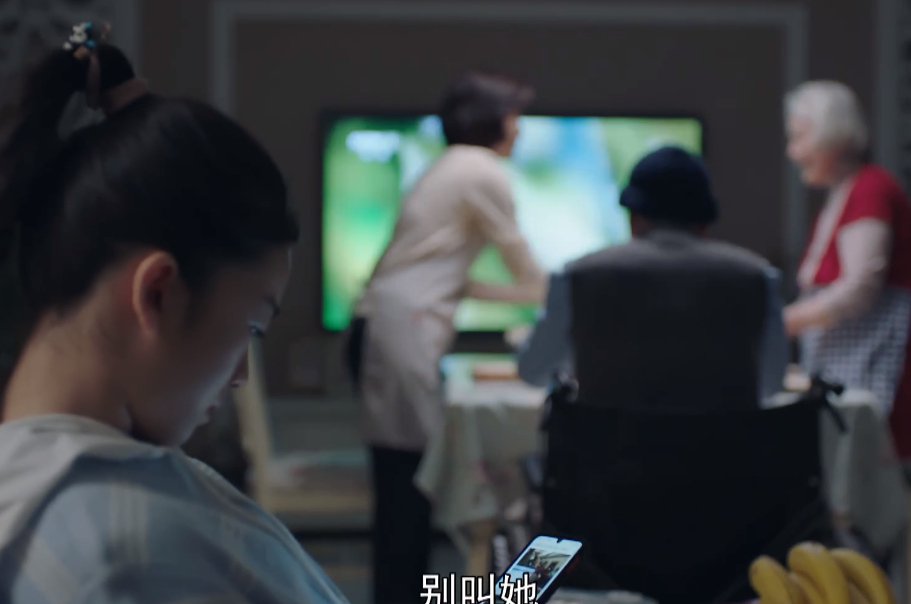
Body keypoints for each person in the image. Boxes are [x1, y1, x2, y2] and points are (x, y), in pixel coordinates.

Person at [0, 23, 348, 603]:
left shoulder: (75, 493)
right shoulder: (126, 554)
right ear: (158, 293)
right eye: (252, 326)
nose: (240, 374)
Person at [345, 71, 546, 604]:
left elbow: (455, 276)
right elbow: (520, 260)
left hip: (389, 327)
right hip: (398, 334)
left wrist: (543, 294)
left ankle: (424, 594)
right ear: (496, 121)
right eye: (515, 117)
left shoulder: (450, 167)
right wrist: (567, 297)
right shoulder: (480, 169)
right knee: (408, 494)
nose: (519, 128)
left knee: (405, 494)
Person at [517, 146, 788, 410]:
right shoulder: (757, 278)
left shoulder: (577, 276)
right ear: (705, 223)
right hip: (721, 443)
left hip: (607, 442)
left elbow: (534, 372)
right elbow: (770, 384)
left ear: (633, 218)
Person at [782, 80, 911, 458]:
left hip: (879, 364)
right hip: (845, 365)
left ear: (829, 135)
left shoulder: (871, 189)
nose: (793, 151)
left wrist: (786, 321)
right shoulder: (844, 192)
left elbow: (860, 286)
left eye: (799, 138)